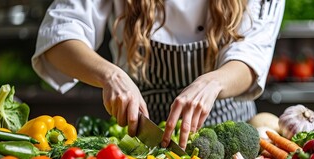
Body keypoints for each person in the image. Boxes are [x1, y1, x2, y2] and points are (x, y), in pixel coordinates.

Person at [32, 0, 285, 149]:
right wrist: (110, 75)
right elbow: (58, 36)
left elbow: (252, 57)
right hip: (137, 132)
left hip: (227, 138)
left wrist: (213, 82)